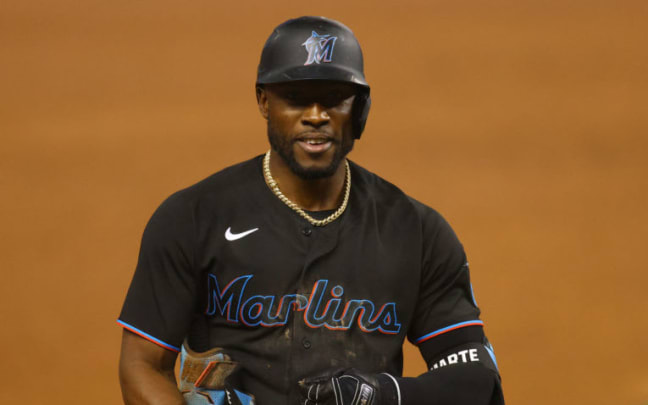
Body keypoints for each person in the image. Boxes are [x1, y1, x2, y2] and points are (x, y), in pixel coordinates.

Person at [118, 16, 504, 405]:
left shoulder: (416, 233)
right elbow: (143, 366)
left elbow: (478, 384)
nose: (316, 115)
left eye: (334, 99)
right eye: (297, 98)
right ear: (264, 102)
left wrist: (383, 394)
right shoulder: (194, 218)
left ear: (360, 109)